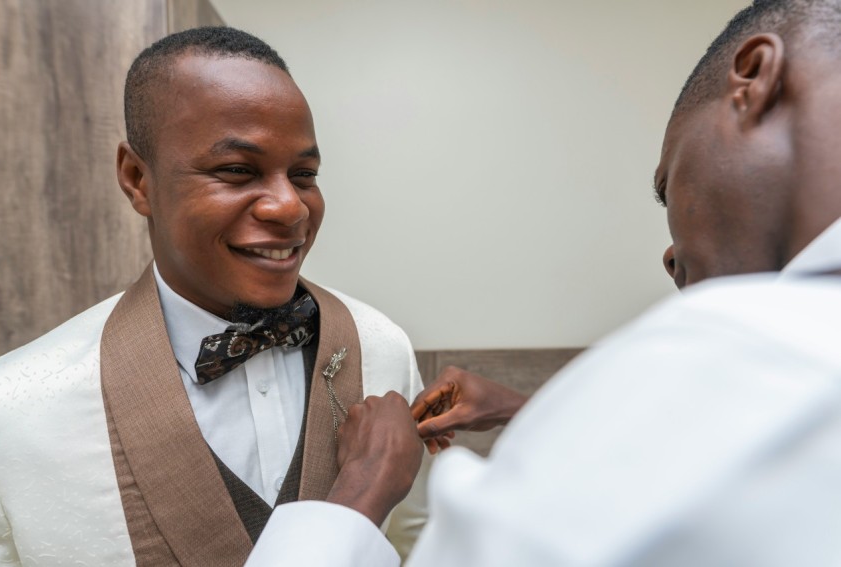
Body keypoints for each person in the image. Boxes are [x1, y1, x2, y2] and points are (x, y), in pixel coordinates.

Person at [245, 0, 841, 565]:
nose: (670, 253)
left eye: (668, 186)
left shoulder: (723, 349)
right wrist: (541, 411)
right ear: (144, 184)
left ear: (757, 76)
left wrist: (361, 489)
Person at [0, 27, 429, 566]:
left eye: (304, 174)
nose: (290, 207)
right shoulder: (11, 410)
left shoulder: (383, 345)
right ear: (137, 179)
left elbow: (418, 547)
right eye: (237, 171)